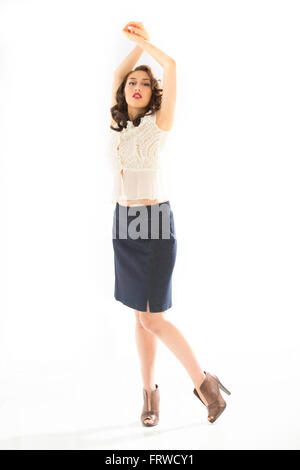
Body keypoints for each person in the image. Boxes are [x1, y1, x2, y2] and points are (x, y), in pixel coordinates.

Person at [109, 22, 231, 427]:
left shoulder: (158, 125)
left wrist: (144, 45)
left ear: (153, 93)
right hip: (124, 222)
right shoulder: (118, 124)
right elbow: (116, 76)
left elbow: (172, 65)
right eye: (133, 83)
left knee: (152, 316)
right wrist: (131, 52)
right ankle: (149, 394)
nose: (137, 86)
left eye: (145, 82)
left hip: (155, 222)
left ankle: (204, 384)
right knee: (138, 313)